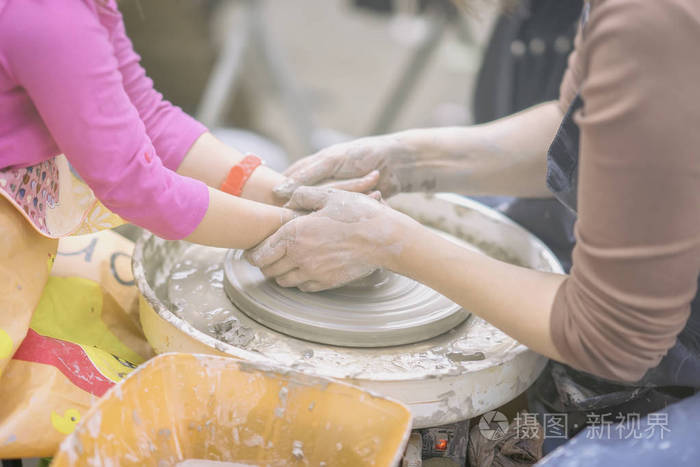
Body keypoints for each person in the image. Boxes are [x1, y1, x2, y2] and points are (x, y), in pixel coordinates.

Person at [249, 0, 700, 462]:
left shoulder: (649, 17)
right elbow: (578, 124)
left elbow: (614, 335)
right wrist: (408, 159)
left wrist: (389, 243)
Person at [0, 0, 375, 457]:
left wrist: (290, 195)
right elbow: (135, 187)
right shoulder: (49, 15)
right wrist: (295, 231)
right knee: (119, 399)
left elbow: (148, 116)